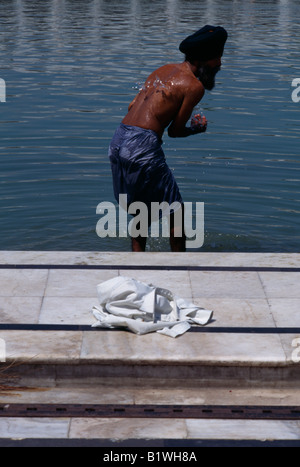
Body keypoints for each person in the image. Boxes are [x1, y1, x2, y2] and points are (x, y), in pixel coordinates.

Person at [109, 25, 228, 252]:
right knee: (176, 211)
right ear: (204, 59)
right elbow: (175, 131)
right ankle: (180, 268)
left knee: (142, 209)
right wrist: (196, 128)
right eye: (217, 58)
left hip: (119, 139)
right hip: (142, 145)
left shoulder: (161, 70)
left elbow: (132, 105)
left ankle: (138, 263)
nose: (220, 64)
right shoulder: (194, 86)